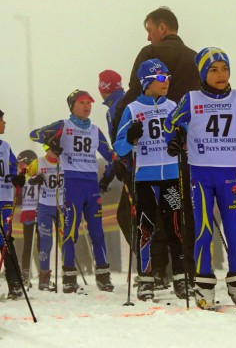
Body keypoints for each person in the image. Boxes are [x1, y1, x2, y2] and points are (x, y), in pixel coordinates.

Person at [164, 47, 236, 310]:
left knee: (234, 229)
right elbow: (172, 124)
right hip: (201, 175)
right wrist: (176, 138)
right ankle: (203, 285)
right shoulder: (191, 99)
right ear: (203, 73)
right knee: (204, 230)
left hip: (228, 175)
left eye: (224, 68)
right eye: (213, 70)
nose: (220, 74)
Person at [113, 6, 200, 286]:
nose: (149, 37)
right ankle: (184, 270)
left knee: (144, 216)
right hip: (187, 149)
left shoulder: (150, 55)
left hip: (148, 153)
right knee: (181, 212)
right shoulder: (196, 59)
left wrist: (124, 136)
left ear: (162, 27)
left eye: (150, 30)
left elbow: (132, 94)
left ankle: (154, 270)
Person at [114, 59, 187, 301]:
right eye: (161, 78)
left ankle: (180, 276)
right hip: (145, 178)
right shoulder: (133, 109)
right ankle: (145, 279)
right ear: (147, 82)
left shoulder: (173, 105)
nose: (167, 81)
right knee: (145, 229)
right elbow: (119, 147)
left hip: (171, 177)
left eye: (168, 77)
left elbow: (184, 133)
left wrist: (181, 138)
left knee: (176, 227)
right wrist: (131, 138)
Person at [29, 90, 116, 293]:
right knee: (69, 232)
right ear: (72, 106)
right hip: (70, 183)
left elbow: (111, 156)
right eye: (82, 102)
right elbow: (34, 134)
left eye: (89, 103)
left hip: (91, 185)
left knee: (97, 232)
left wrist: (109, 175)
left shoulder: (95, 130)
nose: (87, 106)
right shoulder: (63, 125)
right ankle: (69, 276)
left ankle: (103, 274)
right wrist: (51, 142)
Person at [26, 146, 64, 291]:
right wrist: (35, 179)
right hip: (44, 206)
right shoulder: (39, 162)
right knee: (46, 242)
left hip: (61, 206)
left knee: (66, 240)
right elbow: (25, 175)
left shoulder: (65, 161)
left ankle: (68, 275)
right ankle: (44, 277)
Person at [97, 70, 124, 271]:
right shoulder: (129, 99)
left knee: (128, 217)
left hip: (133, 168)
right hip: (152, 165)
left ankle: (154, 269)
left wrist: (108, 177)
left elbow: (118, 148)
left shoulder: (115, 108)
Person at [0, 109, 26, 299]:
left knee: (6, 240)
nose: (5, 123)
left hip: (5, 198)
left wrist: (17, 178)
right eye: (2, 120)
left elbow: (12, 169)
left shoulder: (6, 146)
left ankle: (15, 285)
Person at [17, 149, 39, 287]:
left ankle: (42, 273)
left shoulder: (35, 173)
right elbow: (18, 198)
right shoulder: (23, 175)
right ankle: (25, 274)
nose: (19, 166)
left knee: (41, 244)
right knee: (28, 244)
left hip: (39, 212)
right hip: (29, 213)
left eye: (21, 163)